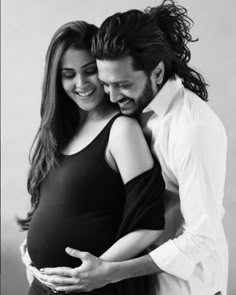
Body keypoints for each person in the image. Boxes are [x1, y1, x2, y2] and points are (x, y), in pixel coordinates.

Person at [32, 1, 228, 295]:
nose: (110, 95)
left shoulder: (192, 129)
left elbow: (201, 238)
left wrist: (107, 272)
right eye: (107, 83)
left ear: (157, 73)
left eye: (121, 84)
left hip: (187, 286)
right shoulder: (134, 107)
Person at [18, 20, 166, 295]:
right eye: (68, 74)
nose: (81, 83)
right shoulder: (59, 132)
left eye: (90, 71)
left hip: (94, 287)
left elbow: (149, 225)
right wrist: (33, 252)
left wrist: (95, 271)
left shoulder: (121, 130)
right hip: (44, 286)